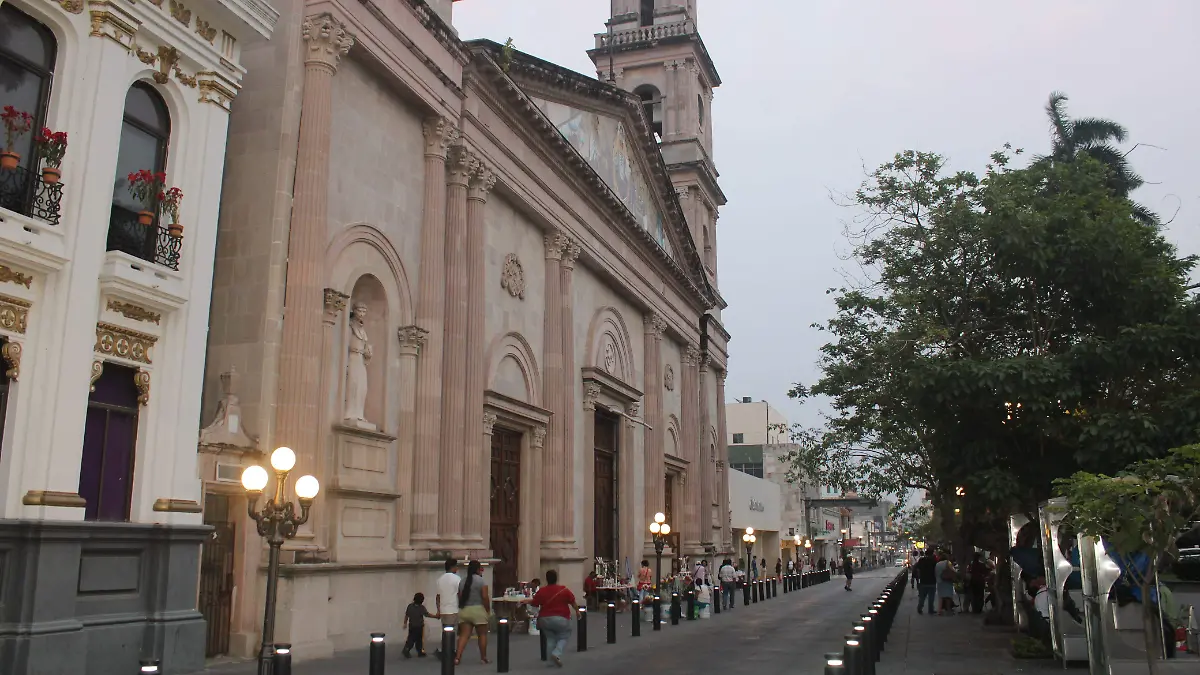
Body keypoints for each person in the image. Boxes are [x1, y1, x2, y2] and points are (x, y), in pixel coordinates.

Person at [532, 569, 579, 667]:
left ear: (546, 579)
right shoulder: (564, 590)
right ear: (556, 579)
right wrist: (577, 611)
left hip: (544, 619)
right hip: (561, 618)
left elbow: (535, 603)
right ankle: (556, 653)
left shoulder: (542, 591)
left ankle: (551, 661)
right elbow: (573, 601)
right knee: (564, 635)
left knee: (550, 638)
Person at [453, 560, 491, 665]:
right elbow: (484, 597)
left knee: (464, 635)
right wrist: (488, 610)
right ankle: (483, 658)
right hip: (478, 610)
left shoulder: (462, 581)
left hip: (465, 610)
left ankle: (457, 657)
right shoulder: (481, 581)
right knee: (482, 635)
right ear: (479, 569)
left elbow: (459, 595)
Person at [433, 559, 460, 659]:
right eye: (456, 566)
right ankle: (449, 652)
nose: (457, 568)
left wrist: (439, 610)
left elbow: (438, 597)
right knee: (453, 633)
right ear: (452, 567)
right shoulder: (456, 579)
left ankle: (444, 650)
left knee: (445, 632)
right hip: (452, 608)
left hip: (443, 609)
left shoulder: (440, 579)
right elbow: (459, 593)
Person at [402, 592, 435, 658]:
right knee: (418, 640)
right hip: (419, 626)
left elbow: (406, 615)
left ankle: (412, 650)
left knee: (411, 638)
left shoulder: (410, 606)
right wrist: (436, 616)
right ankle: (413, 650)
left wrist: (405, 623)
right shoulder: (421, 608)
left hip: (411, 626)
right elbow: (427, 614)